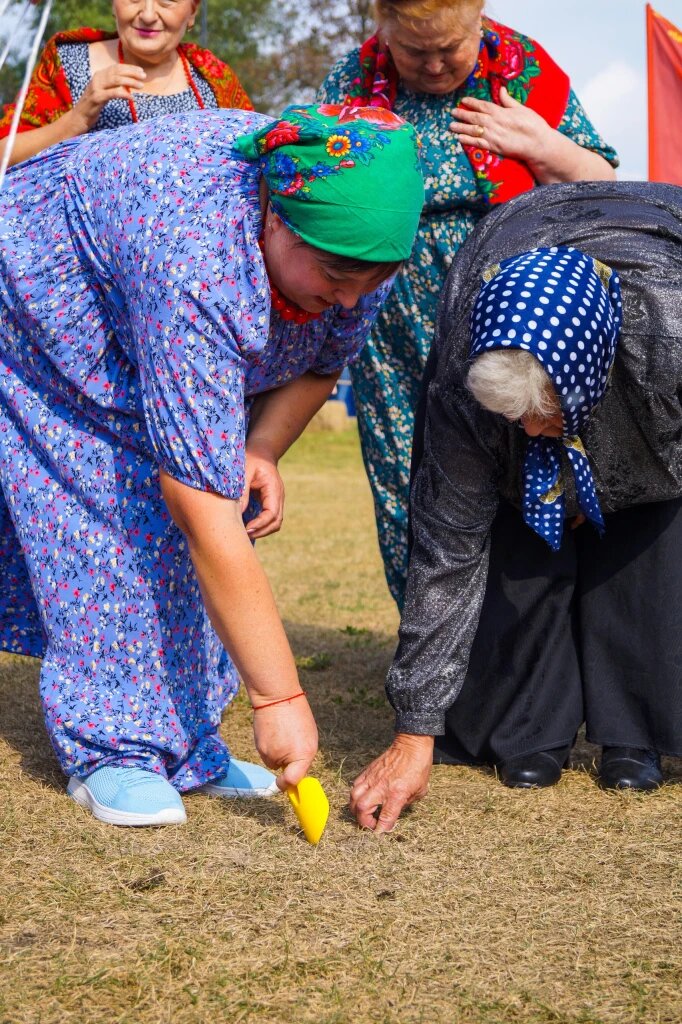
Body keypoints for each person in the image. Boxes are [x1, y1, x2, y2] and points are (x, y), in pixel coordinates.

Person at [0, 103, 424, 827]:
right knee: (111, 509)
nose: (351, 297)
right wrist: (280, 698)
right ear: (276, 218)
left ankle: (187, 744)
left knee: (206, 497)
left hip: (149, 291)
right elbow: (196, 501)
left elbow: (328, 360)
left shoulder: (358, 246)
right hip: (45, 301)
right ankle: (115, 747)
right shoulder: (194, 253)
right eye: (337, 275)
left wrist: (259, 447)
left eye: (371, 278)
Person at [349, 180, 682, 833]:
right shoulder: (466, 374)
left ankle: (636, 731)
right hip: (512, 251)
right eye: (513, 416)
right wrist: (416, 730)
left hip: (653, 403)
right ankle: (526, 726)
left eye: (541, 412)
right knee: (510, 534)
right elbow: (448, 552)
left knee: (650, 533)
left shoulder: (670, 335)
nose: (530, 430)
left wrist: (608, 478)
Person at [318, 0, 618, 607]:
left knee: (510, 470)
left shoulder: (523, 67)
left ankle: (513, 658)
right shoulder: (352, 81)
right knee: (408, 477)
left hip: (508, 321)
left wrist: (542, 144)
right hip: (390, 327)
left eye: (449, 48)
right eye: (413, 50)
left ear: (479, 18)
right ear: (381, 26)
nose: (432, 65)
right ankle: (431, 646)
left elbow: (603, 188)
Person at [0, 0, 252, 167]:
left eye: (166, 1)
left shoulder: (214, 79)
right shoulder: (69, 62)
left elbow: (255, 166)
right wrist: (75, 121)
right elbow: (4, 155)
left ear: (193, 11)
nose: (148, 15)